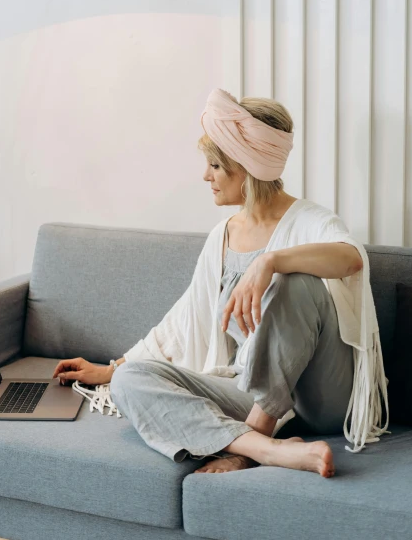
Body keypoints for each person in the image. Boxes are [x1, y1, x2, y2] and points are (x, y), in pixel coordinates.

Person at [53, 88, 389, 478]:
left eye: (215, 165)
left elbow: (350, 258)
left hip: (320, 396)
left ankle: (254, 438)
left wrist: (271, 261)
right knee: (132, 382)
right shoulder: (222, 237)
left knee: (294, 282)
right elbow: (183, 323)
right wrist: (112, 370)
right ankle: (268, 450)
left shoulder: (311, 221)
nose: (205, 175)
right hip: (248, 387)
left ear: (246, 168)